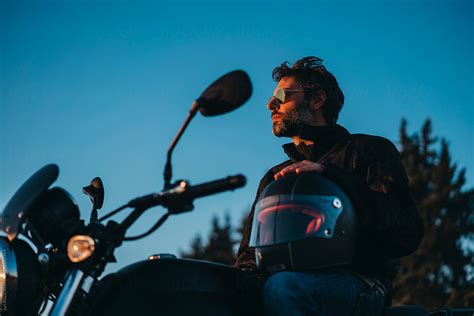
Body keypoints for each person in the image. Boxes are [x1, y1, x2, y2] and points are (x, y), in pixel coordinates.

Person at [235, 56, 425, 315]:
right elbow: (249, 255)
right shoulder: (275, 178)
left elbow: (405, 231)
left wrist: (331, 176)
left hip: (362, 281)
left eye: (282, 95)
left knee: (284, 287)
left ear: (317, 99)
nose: (270, 104)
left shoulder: (369, 151)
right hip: (286, 280)